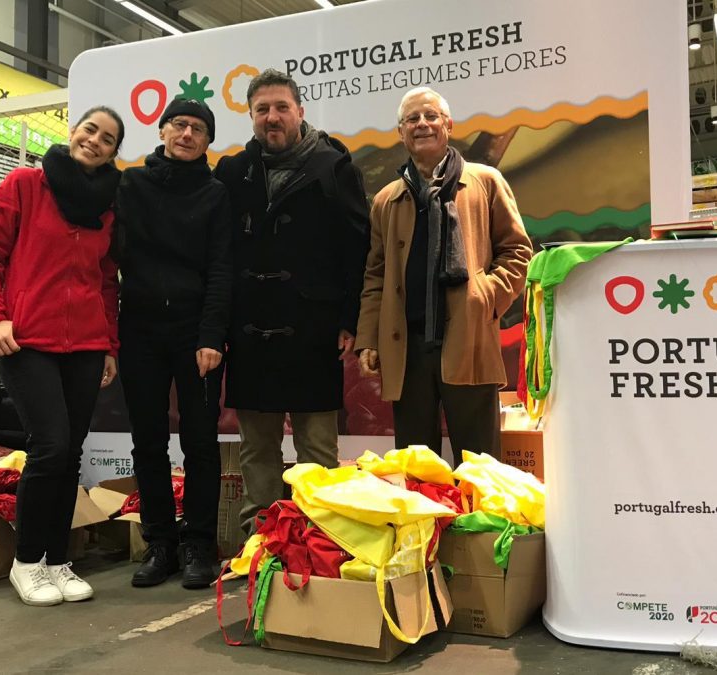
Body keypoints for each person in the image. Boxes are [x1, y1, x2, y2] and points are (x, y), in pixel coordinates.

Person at [0, 106, 124, 606]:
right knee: (51, 446)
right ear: (73, 131)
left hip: (84, 345)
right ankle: (27, 561)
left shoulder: (107, 207)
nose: (95, 140)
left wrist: (108, 345)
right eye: (90, 129)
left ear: (113, 153)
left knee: (71, 451)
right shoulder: (25, 185)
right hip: (25, 340)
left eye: (107, 139)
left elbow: (104, 281)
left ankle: (58, 560)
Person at [215, 69, 370, 535]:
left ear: (300, 111)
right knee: (256, 448)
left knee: (318, 447)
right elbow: (219, 254)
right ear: (251, 116)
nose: (272, 117)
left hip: (314, 329)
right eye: (262, 109)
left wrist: (351, 320)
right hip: (250, 331)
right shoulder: (232, 171)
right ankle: (258, 539)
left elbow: (358, 250)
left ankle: (323, 537)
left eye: (281, 107)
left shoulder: (335, 167)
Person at [355, 87, 532, 466]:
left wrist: (485, 296)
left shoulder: (485, 181)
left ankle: (484, 527)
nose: (422, 125)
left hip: (468, 340)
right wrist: (369, 336)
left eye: (431, 116)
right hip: (407, 348)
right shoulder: (386, 199)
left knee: (480, 462)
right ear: (401, 132)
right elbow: (375, 274)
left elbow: (518, 252)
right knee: (417, 467)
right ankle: (424, 527)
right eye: (412, 119)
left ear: (448, 125)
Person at [114, 98, 232, 589]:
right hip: (139, 330)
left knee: (201, 442)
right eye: (180, 125)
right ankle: (159, 542)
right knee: (148, 440)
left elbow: (222, 270)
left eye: (199, 129)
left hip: (195, 335)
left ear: (207, 142)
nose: (188, 134)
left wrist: (211, 336)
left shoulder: (216, 194)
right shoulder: (132, 184)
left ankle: (198, 543)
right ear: (162, 130)